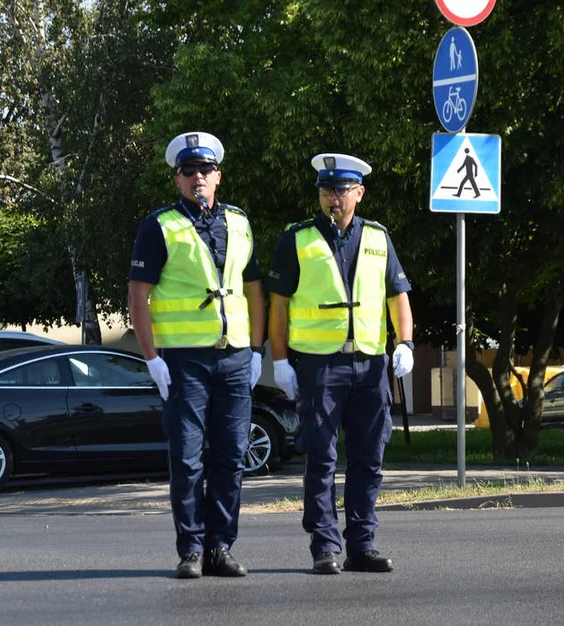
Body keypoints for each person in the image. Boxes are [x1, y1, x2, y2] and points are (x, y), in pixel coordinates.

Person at [266, 152, 414, 575]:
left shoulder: (378, 238)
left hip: (370, 366)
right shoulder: (296, 239)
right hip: (319, 366)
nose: (333, 198)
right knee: (323, 457)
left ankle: (362, 543)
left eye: (342, 190)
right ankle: (325, 545)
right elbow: (279, 307)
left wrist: (405, 342)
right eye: (326, 190)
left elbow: (397, 295)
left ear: (359, 194)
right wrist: (280, 361)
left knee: (369, 458)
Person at [128, 132, 266, 579]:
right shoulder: (159, 225)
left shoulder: (241, 222)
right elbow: (138, 295)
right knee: (187, 458)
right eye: (189, 172)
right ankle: (190, 549)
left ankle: (219, 547)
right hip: (185, 362)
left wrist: (259, 349)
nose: (198, 178)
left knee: (231, 455)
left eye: (206, 170)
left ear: (218, 176)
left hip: (235, 358)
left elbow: (254, 290)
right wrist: (151, 357)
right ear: (178, 180)